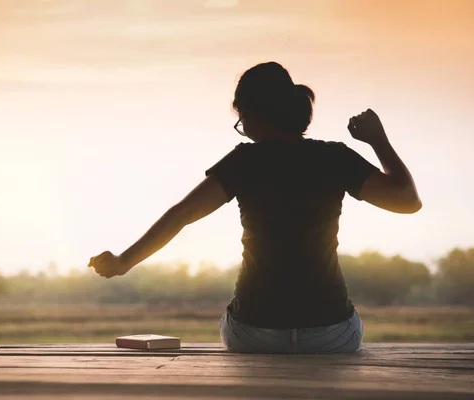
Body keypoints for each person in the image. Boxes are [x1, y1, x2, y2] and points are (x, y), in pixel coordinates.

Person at [88, 62, 421, 354]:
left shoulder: (244, 161)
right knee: (346, 322)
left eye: (241, 117)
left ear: (254, 113)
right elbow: (408, 202)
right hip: (329, 333)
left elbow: (180, 215)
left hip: (255, 333)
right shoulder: (335, 157)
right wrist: (378, 140)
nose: (242, 127)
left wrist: (123, 262)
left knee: (236, 320)